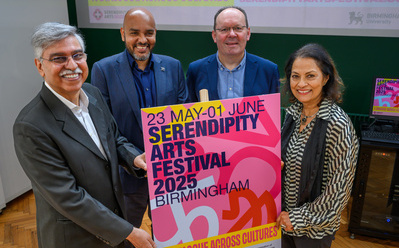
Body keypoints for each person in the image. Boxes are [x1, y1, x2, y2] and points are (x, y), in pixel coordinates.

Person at [13, 22, 156, 248]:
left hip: (116, 222)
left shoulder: (92, 93)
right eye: (59, 58)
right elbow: (68, 197)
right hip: (75, 238)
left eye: (77, 55)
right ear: (40, 66)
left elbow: (114, 139)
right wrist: (128, 231)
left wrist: (133, 158)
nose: (72, 65)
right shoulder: (30, 126)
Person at [91, 8, 189, 230]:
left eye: (149, 33)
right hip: (126, 177)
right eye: (134, 32)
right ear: (123, 33)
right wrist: (133, 158)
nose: (143, 40)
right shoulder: (103, 70)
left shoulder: (173, 66)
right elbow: (104, 126)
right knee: (127, 236)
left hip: (170, 176)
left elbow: (184, 117)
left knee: (170, 234)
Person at [276, 43, 359, 248]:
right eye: (295, 76)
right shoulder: (293, 114)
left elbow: (338, 193)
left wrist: (296, 219)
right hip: (282, 220)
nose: (301, 83)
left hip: (313, 231)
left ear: (326, 78)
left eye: (310, 76)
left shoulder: (338, 125)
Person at [186, 6, 280, 102]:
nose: (231, 34)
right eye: (224, 29)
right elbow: (188, 113)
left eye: (238, 28)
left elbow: (273, 113)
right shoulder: (196, 70)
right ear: (214, 36)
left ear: (248, 33)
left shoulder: (268, 70)